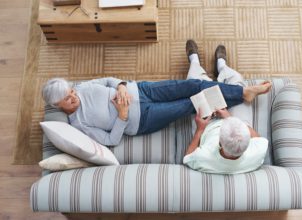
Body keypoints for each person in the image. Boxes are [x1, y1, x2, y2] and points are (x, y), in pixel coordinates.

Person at [42, 52, 271, 148]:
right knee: (192, 102)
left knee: (192, 85)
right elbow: (110, 140)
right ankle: (241, 94)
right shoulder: (79, 125)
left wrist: (121, 86)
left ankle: (243, 93)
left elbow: (109, 80)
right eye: (68, 99)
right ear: (57, 106)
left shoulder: (82, 87)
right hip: (142, 119)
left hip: (142, 90)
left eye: (71, 91)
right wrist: (122, 117)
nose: (74, 97)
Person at [183, 39, 269, 174]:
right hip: (235, 120)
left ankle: (195, 62)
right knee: (237, 81)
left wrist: (200, 129)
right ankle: (222, 67)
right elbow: (258, 138)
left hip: (206, 125)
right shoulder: (258, 153)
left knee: (194, 83)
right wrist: (229, 118)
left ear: (220, 144)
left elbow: (188, 157)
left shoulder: (204, 157)